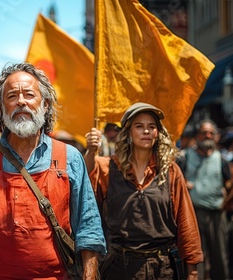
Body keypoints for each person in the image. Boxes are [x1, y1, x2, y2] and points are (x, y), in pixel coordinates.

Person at [0, 62, 106, 279]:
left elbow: (89, 227)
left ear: (45, 105)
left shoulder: (70, 158)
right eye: (11, 96)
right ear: (0, 108)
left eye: (29, 95)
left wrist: (90, 275)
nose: (21, 102)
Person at [84, 102, 202, 280]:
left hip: (162, 268)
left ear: (158, 133)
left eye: (151, 127)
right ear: (128, 133)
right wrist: (91, 151)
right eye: (139, 126)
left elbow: (186, 222)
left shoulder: (170, 170)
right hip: (119, 267)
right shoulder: (109, 166)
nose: (146, 131)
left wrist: (192, 270)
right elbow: (85, 183)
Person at [178, 120, 230, 280]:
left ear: (215, 137)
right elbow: (174, 178)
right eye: (203, 133)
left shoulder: (221, 159)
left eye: (210, 133)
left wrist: (226, 197)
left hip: (216, 213)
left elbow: (231, 181)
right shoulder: (185, 157)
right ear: (197, 136)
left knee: (219, 255)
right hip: (193, 212)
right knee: (195, 254)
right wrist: (183, 182)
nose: (207, 136)